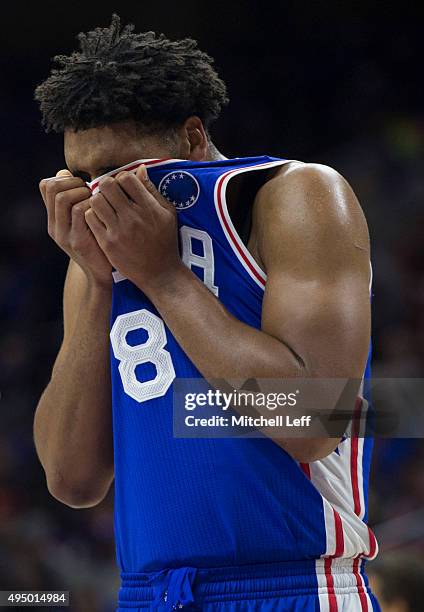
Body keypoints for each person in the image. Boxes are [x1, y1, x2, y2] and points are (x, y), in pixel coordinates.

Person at [33, 14, 379, 611]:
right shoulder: (97, 256)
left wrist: (163, 277)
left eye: (116, 171)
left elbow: (317, 423)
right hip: (146, 595)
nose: (98, 196)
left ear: (192, 138)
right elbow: (72, 481)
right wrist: (94, 280)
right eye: (81, 176)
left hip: (292, 585)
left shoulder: (293, 194)